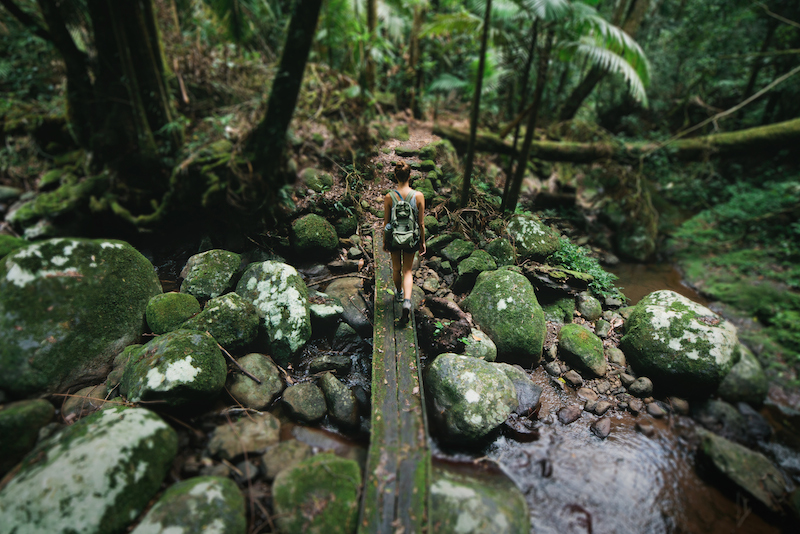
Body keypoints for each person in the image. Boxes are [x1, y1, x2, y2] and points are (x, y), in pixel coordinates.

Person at [383, 161, 426, 324]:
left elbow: (386, 223)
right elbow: (421, 223)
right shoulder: (419, 196)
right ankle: (407, 301)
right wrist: (422, 242)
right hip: (411, 238)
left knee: (396, 268)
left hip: (394, 237)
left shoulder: (389, 197)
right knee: (407, 271)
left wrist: (384, 241)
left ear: (395, 176)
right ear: (410, 176)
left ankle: (399, 293)